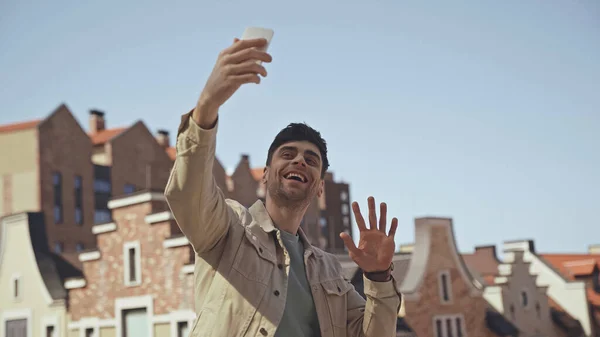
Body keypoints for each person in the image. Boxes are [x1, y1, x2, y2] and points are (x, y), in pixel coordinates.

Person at [164, 37, 402, 337]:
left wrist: (379, 276)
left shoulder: (331, 273)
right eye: (287, 154)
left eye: (311, 160)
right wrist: (207, 107)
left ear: (319, 188)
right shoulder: (228, 229)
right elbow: (188, 194)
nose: (300, 161)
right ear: (265, 174)